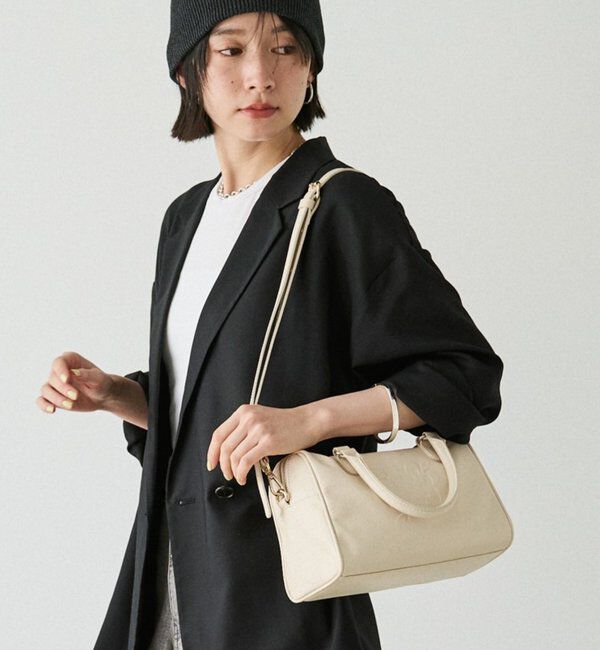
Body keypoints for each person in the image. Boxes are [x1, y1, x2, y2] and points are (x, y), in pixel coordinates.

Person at [36, 4, 504, 649]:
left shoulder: (342, 204)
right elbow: (215, 410)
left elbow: (464, 377)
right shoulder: (185, 218)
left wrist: (309, 420)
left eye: (285, 49)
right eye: (231, 51)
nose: (261, 75)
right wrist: (119, 394)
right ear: (187, 72)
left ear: (311, 68)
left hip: (283, 591)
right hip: (170, 573)